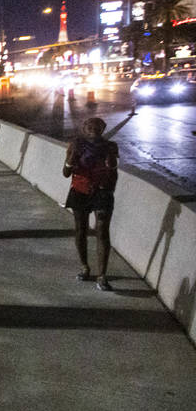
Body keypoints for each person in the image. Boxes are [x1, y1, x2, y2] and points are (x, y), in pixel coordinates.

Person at [63, 117, 119, 291]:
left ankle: (102, 276)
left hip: (102, 192)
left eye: (97, 127)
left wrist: (109, 186)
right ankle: (85, 267)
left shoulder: (111, 146)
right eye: (89, 126)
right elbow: (66, 173)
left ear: (103, 129)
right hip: (80, 190)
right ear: (84, 128)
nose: (93, 129)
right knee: (81, 229)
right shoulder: (76, 145)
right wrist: (72, 158)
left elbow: (114, 173)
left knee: (102, 232)